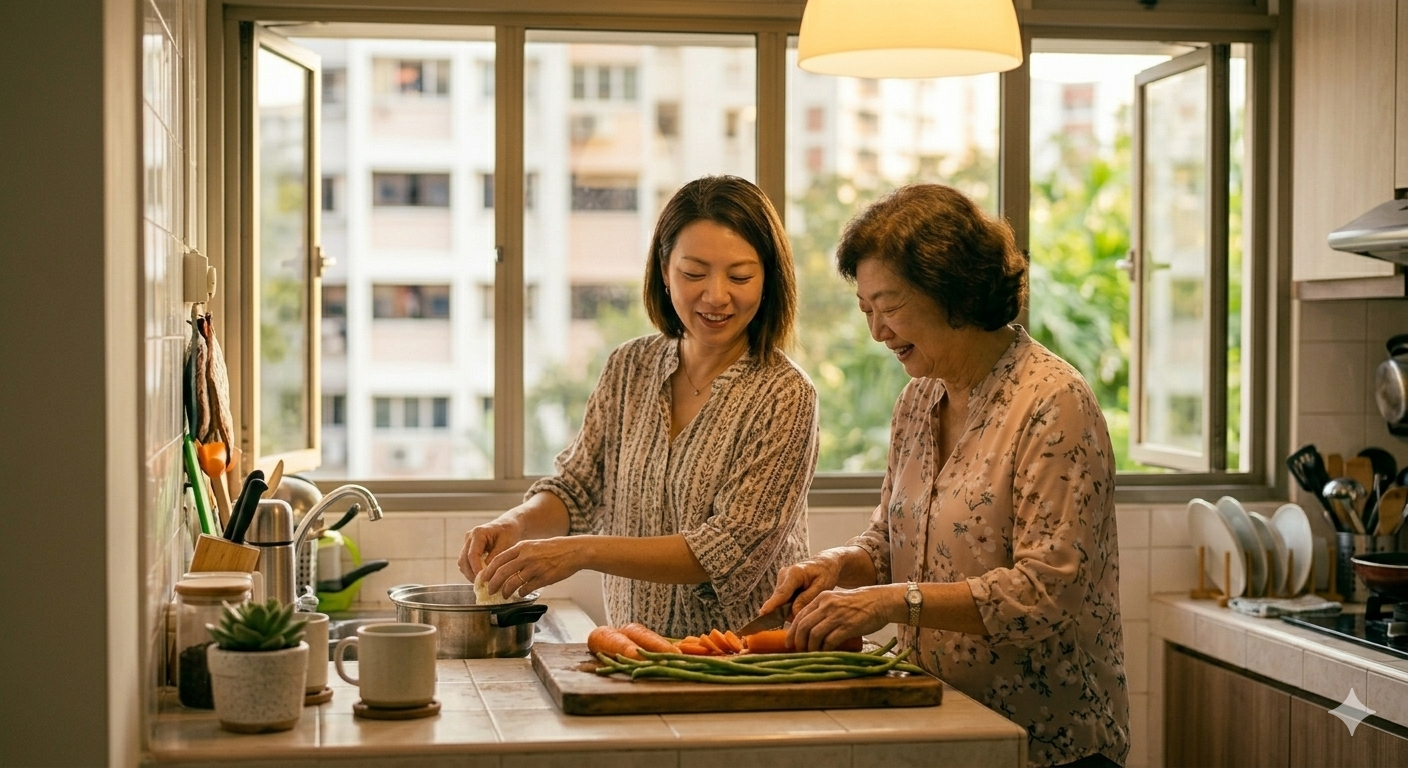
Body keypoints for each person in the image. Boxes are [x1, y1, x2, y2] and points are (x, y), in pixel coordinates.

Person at [761, 184, 1128, 768]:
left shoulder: (1054, 402)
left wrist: (887, 603)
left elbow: (1044, 592)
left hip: (1049, 744)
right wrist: (837, 568)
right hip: (947, 727)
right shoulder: (918, 400)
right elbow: (892, 542)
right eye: (866, 310)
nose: (876, 331)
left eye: (890, 305)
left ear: (952, 291)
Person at [459, 175, 819, 639]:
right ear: (664, 271)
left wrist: (580, 552)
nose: (715, 295)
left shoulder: (784, 395)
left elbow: (725, 549)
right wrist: (513, 525)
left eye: (740, 276)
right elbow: (577, 489)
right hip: (635, 652)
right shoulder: (630, 367)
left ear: (769, 279)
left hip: (742, 662)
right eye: (694, 273)